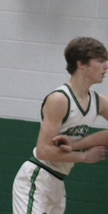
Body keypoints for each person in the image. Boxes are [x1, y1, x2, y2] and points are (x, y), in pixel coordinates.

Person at [12, 37, 108, 214]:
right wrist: (85, 156)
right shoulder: (60, 99)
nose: (106, 66)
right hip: (38, 176)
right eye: (100, 61)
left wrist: (76, 145)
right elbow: (43, 151)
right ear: (81, 64)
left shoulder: (98, 101)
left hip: (58, 182)